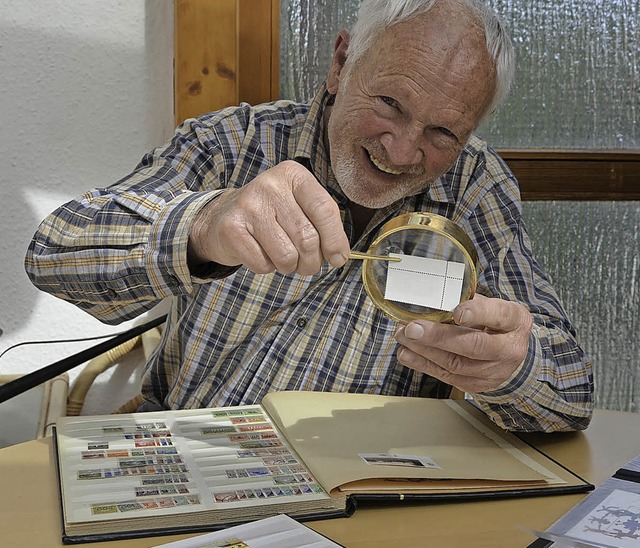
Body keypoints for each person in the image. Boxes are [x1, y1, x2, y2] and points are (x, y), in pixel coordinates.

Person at [25, 0, 593, 432]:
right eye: (390, 104)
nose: (400, 152)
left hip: (364, 485)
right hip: (189, 450)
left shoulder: (474, 187)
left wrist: (515, 367)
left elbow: (572, 395)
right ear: (341, 64)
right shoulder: (234, 143)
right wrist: (204, 227)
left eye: (443, 132)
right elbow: (54, 255)